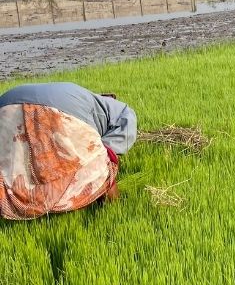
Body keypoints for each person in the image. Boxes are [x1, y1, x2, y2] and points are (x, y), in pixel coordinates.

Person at [0, 82, 137, 220]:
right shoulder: (124, 111)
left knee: (13, 167)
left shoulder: (87, 98)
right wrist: (103, 161)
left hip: (4, 104)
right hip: (54, 109)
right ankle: (112, 211)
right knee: (101, 167)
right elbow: (112, 148)